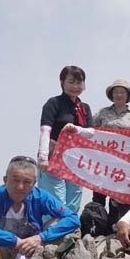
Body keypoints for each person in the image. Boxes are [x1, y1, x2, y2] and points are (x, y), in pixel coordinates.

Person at [38, 65, 94, 213]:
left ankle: (70, 230)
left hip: (76, 159)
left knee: (74, 195)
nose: (75, 87)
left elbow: (91, 132)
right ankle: (52, 230)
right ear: (62, 82)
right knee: (54, 196)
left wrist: (76, 129)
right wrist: (43, 157)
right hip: (53, 155)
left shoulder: (84, 107)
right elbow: (45, 130)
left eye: (79, 83)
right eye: (71, 82)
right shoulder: (53, 103)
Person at [92, 79, 130, 215]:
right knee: (99, 193)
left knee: (118, 194)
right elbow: (90, 130)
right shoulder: (101, 113)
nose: (119, 95)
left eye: (122, 92)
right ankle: (96, 224)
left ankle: (114, 225)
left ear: (127, 96)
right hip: (102, 161)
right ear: (112, 95)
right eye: (116, 92)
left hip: (124, 163)